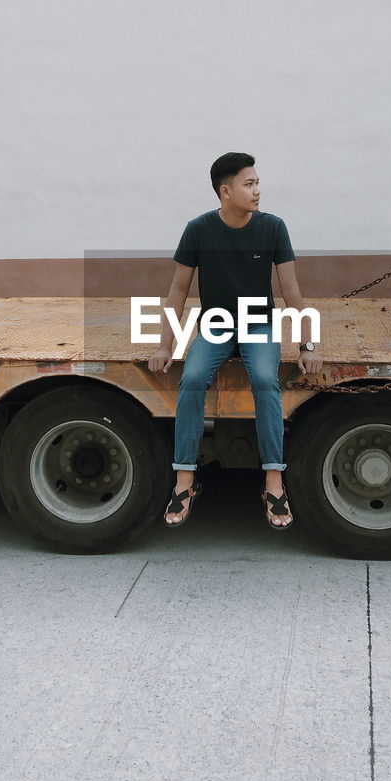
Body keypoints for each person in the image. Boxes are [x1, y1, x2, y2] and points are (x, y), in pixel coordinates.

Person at [147, 152, 323, 529]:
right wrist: (166, 345)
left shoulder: (273, 227)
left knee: (264, 379)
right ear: (226, 192)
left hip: (259, 325)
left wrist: (308, 344)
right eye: (249, 184)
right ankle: (185, 480)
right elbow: (178, 288)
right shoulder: (198, 229)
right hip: (216, 325)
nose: (258, 190)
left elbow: (291, 288)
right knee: (192, 378)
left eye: (257, 182)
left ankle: (273, 482)